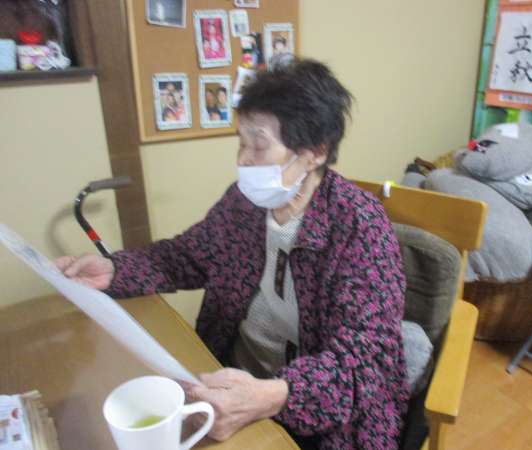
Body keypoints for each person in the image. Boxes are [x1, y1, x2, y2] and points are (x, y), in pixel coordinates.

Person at [55, 59, 409, 449]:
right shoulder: (244, 204)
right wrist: (114, 269)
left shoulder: (359, 224)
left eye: (258, 145)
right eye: (241, 143)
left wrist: (274, 395)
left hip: (317, 415)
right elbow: (186, 256)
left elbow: (367, 359)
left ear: (315, 152)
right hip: (231, 379)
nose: (242, 160)